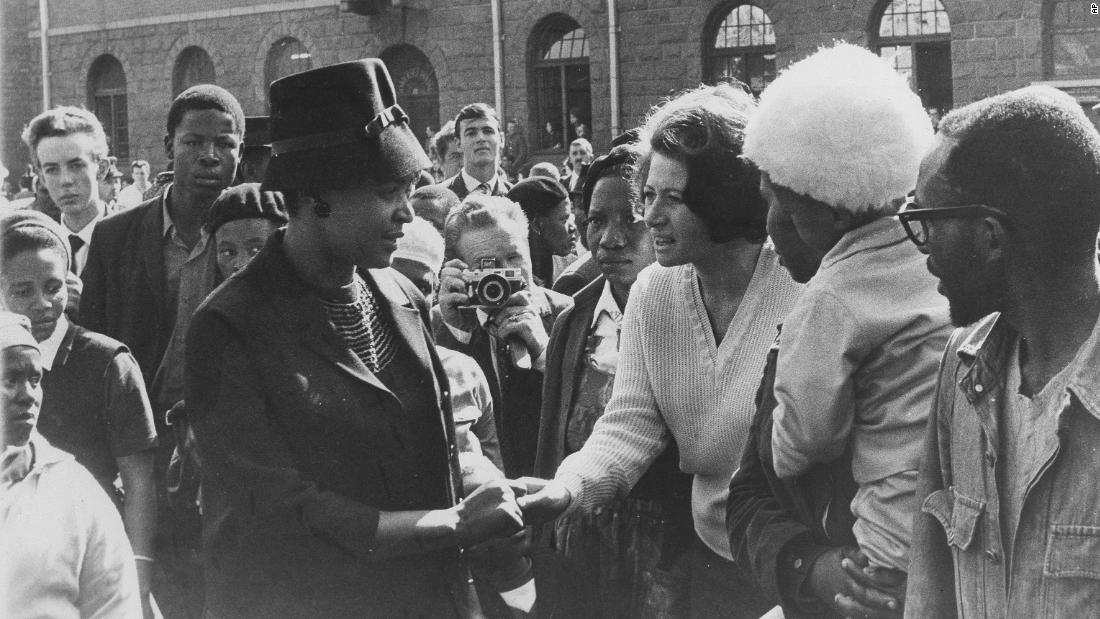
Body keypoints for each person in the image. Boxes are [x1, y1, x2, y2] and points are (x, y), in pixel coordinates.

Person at [185, 58, 525, 618]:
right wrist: (452, 524)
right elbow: (277, 513)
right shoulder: (230, 326)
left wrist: (490, 486)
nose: (406, 214)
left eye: (411, 189)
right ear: (315, 194)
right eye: (387, 191)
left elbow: (433, 448)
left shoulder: (400, 294)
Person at [518, 83, 804, 618]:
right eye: (647, 195)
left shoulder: (799, 284)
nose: (650, 217)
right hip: (712, 559)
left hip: (796, 563)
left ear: (725, 195)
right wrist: (564, 490)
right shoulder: (654, 292)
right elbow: (629, 425)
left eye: (672, 198)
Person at [728, 42, 946, 618]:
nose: (770, 227)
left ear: (826, 211)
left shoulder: (828, 300)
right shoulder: (936, 262)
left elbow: (797, 450)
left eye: (778, 204)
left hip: (876, 561)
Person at [904, 86, 1100, 617]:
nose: (923, 251)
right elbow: (929, 594)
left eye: (928, 220)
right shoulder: (961, 367)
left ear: (990, 238)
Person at [534, 143, 694, 617]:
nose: (610, 238)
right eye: (596, 220)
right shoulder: (573, 318)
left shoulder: (694, 312)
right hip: (580, 548)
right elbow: (552, 445)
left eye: (630, 219)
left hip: (667, 554)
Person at [0, 209, 160, 616]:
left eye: (53, 287)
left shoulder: (107, 362)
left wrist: (138, 570)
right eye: (23, 291)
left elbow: (139, 479)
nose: (42, 304)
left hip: (91, 553)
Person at [80, 84, 244, 409]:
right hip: (138, 430)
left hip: (223, 432)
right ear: (169, 146)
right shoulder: (113, 237)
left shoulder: (260, 240)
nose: (209, 156)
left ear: (241, 151)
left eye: (224, 144)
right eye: (193, 142)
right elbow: (90, 345)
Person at [0, 310, 142, 619]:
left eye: (35, 380)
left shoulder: (73, 490)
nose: (28, 395)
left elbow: (116, 605)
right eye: (10, 379)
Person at [435, 195, 573, 477]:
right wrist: (457, 333)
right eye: (487, 264)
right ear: (461, 269)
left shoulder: (569, 314)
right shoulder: (440, 323)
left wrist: (545, 354)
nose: (504, 272)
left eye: (513, 257)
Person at [21, 106, 111, 276]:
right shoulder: (31, 248)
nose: (65, 181)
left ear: (102, 169)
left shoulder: (135, 239)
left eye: (76, 166)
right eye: (52, 169)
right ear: (41, 177)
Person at [506, 176, 573, 286]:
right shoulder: (506, 276)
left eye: (571, 217)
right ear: (537, 225)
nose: (573, 227)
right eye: (564, 220)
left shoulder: (571, 268)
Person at [438, 103, 511, 200]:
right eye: (471, 133)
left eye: (488, 131)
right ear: (458, 143)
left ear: (502, 139)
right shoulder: (440, 198)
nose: (481, 138)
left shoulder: (516, 196)